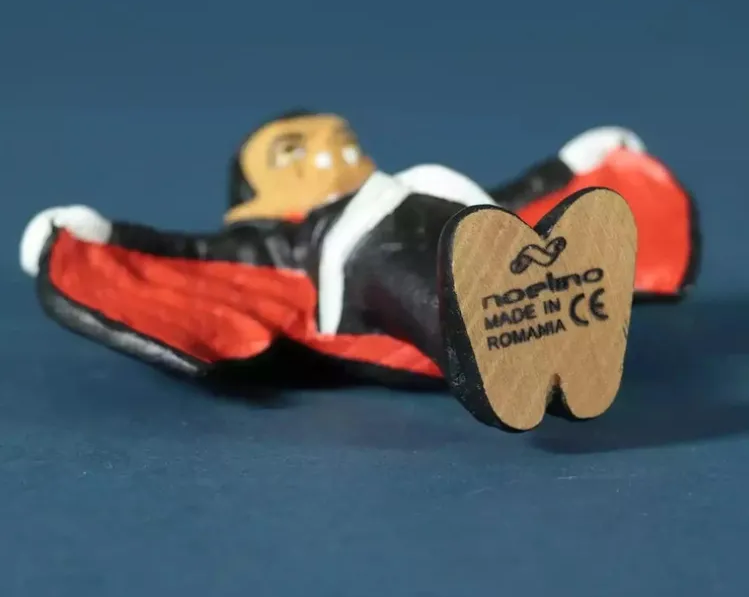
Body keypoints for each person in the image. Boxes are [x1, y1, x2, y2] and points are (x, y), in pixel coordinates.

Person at [19, 111, 700, 429]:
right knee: (434, 270)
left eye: (338, 136)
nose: (329, 150)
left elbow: (514, 199)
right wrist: (99, 240)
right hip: (365, 286)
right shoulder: (279, 243)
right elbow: (182, 258)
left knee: (495, 238)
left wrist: (576, 168)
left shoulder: (420, 185)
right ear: (252, 202)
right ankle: (502, 336)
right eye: (293, 152)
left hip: (481, 245)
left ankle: (548, 317)